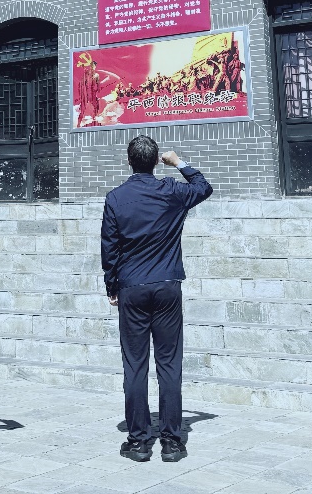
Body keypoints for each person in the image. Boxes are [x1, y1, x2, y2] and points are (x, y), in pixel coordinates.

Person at [100, 135, 212, 464]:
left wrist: (111, 285)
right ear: (155, 161)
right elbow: (203, 187)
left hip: (132, 287)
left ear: (129, 161)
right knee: (169, 364)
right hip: (166, 286)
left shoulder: (116, 198)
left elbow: (109, 247)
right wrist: (178, 163)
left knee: (135, 365)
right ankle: (172, 442)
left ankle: (138, 441)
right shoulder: (171, 191)